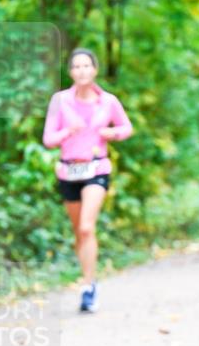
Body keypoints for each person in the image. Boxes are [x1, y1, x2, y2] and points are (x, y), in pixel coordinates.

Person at [42, 48, 132, 313]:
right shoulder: (60, 101)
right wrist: (67, 132)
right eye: (76, 67)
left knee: (86, 228)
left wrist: (110, 133)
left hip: (97, 169)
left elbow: (126, 127)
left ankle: (88, 286)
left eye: (86, 66)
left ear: (95, 70)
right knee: (78, 233)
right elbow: (48, 139)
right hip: (69, 171)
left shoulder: (108, 101)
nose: (82, 71)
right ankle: (86, 276)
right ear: (71, 72)